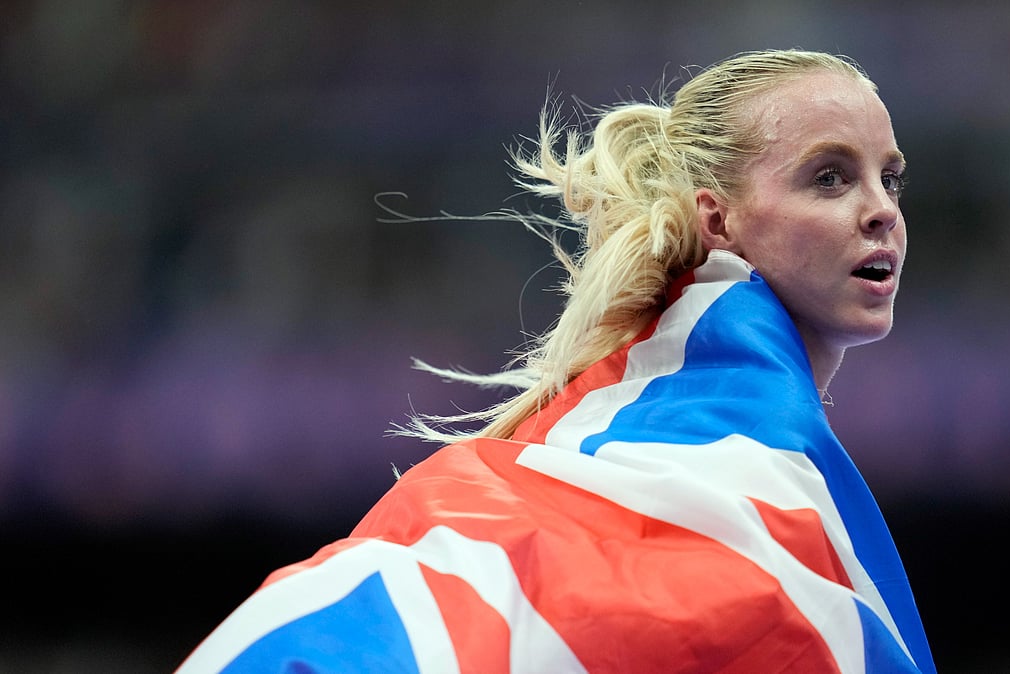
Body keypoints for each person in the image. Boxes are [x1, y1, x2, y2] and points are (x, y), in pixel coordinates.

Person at [177, 48, 936, 673]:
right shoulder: (712, 470)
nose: (880, 210)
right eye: (828, 177)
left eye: (890, 178)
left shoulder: (698, 447)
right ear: (718, 219)